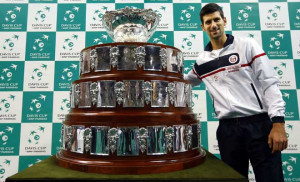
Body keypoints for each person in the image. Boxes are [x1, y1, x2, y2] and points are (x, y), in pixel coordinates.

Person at [184, 3, 288, 182]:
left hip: (259, 125)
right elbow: (185, 82)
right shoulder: (201, 61)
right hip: (228, 130)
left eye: (217, 19)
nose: (213, 25)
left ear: (224, 20)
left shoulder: (247, 45)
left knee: (271, 178)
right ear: (203, 27)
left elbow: (269, 82)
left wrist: (278, 124)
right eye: (208, 22)